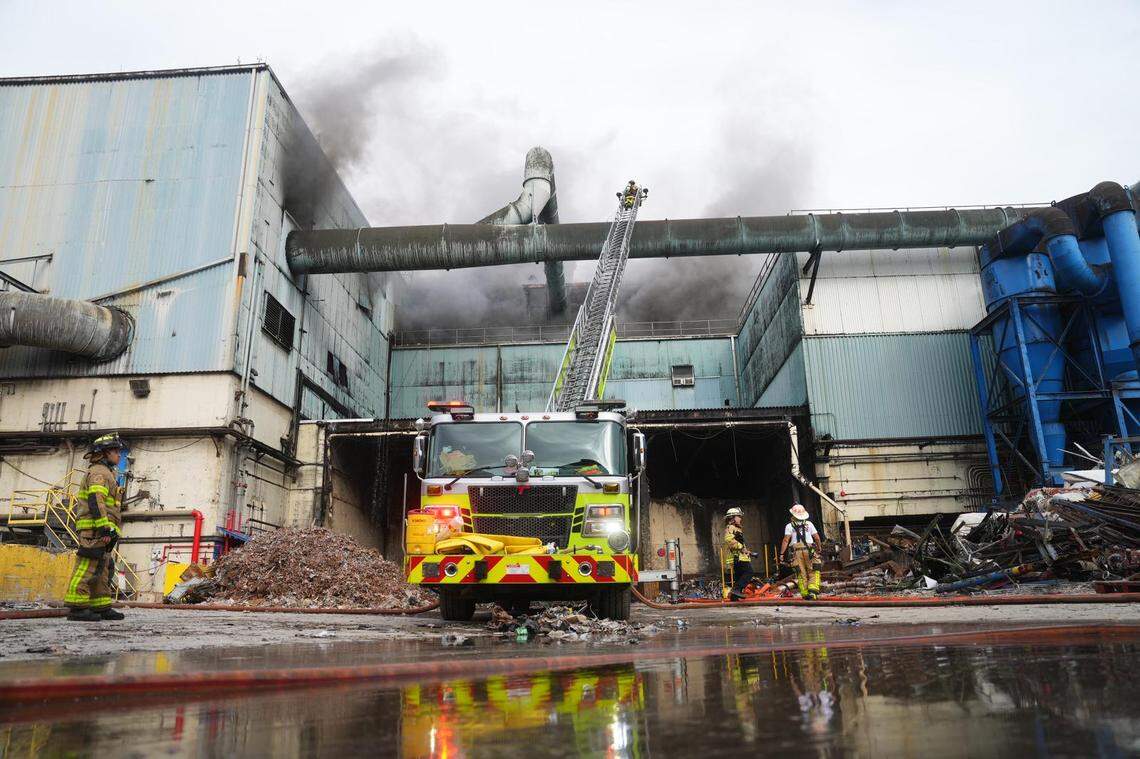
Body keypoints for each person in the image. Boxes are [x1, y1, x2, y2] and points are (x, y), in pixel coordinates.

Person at [65, 433, 126, 621]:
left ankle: (101, 606)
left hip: (103, 529)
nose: (119, 455)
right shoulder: (99, 472)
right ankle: (77, 607)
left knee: (103, 568)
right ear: (103, 453)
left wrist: (110, 529)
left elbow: (108, 506)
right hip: (94, 529)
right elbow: (96, 500)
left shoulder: (108, 473)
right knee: (87, 567)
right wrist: (103, 528)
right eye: (115, 451)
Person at [779, 504, 822, 600]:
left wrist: (782, 554)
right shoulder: (809, 524)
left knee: (801, 573)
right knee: (813, 571)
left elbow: (786, 540)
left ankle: (805, 594)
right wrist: (819, 548)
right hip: (810, 551)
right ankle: (813, 592)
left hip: (796, 552)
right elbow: (817, 538)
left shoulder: (789, 526)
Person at [722, 507, 756, 600]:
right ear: (732, 518)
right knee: (749, 572)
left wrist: (746, 550)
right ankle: (736, 590)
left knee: (740, 576)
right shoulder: (731, 527)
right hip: (738, 557)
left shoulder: (736, 528)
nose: (740, 518)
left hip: (739, 556)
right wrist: (741, 548)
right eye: (739, 516)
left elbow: (738, 542)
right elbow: (729, 540)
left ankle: (734, 597)